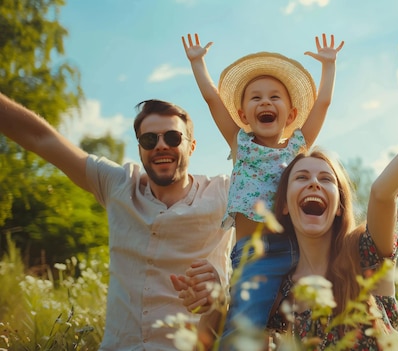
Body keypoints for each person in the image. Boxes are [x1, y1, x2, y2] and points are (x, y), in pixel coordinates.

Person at [263, 59, 398, 350]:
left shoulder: (365, 254)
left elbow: (383, 192)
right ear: (284, 206)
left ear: (340, 205)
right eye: (301, 177)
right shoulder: (280, 290)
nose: (314, 183)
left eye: (326, 179)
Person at [0, 95, 234, 350]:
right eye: (149, 139)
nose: (161, 145)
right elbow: (40, 137)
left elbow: (271, 174)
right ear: (140, 148)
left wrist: (220, 294)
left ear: (191, 146)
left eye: (173, 137)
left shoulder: (225, 193)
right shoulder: (118, 184)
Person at [178, 33, 344, 341]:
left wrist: (329, 66)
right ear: (243, 116)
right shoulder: (240, 144)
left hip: (297, 250)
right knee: (245, 325)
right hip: (252, 257)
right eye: (255, 98)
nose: (265, 101)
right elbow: (213, 99)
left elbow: (323, 103)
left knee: (305, 323)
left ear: (291, 115)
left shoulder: (297, 147)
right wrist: (198, 62)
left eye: (274, 97)